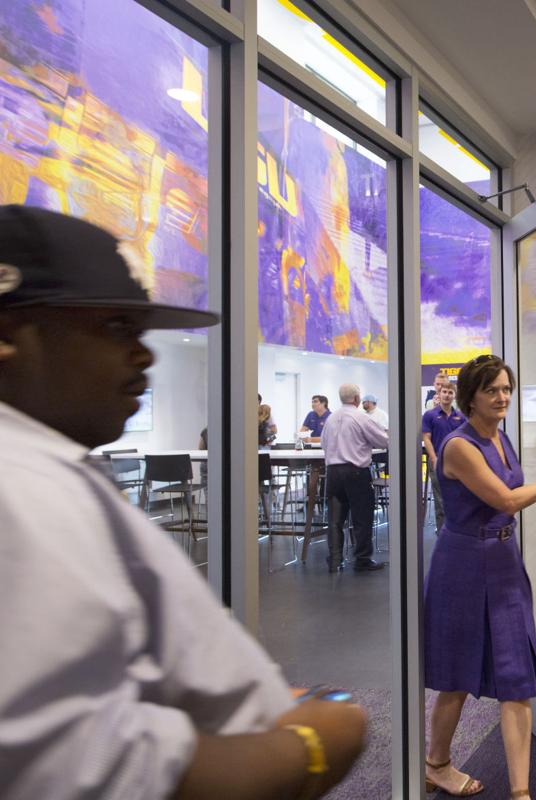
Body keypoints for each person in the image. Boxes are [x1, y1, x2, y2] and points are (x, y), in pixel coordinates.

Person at [0, 205, 365, 798]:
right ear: (9, 336)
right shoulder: (29, 496)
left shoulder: (60, 477)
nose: (144, 356)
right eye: (117, 329)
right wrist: (315, 745)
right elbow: (91, 772)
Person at [424, 355, 536, 799]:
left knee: (516, 677)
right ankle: (437, 764)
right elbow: (507, 500)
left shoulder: (500, 436)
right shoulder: (458, 446)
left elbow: (507, 502)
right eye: (492, 389)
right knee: (455, 677)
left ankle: (520, 792)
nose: (502, 396)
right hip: (462, 565)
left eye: (506, 388)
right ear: (470, 396)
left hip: (503, 560)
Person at [321, 383, 388, 573]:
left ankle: (335, 560)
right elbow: (382, 440)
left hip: (333, 473)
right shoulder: (361, 417)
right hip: (355, 472)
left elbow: (324, 444)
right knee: (362, 517)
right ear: (358, 399)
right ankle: (362, 559)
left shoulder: (331, 418)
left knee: (335, 520)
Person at [420, 380, 465, 530]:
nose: (446, 395)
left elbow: (464, 440)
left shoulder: (460, 417)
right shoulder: (429, 415)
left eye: (450, 392)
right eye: (444, 392)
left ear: (454, 396)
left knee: (457, 499)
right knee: (440, 501)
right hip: (437, 462)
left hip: (456, 464)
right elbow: (426, 438)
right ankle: (443, 534)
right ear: (439, 394)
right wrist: (434, 459)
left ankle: (456, 532)